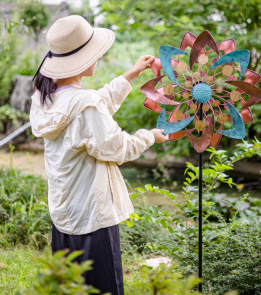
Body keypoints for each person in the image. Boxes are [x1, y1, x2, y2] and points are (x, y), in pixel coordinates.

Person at [29, 15, 168, 295]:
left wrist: (130, 74)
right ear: (81, 59)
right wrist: (149, 136)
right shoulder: (84, 104)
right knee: (105, 288)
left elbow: (93, 108)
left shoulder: (45, 97)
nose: (99, 57)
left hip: (65, 211)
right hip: (92, 213)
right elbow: (118, 147)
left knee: (69, 287)